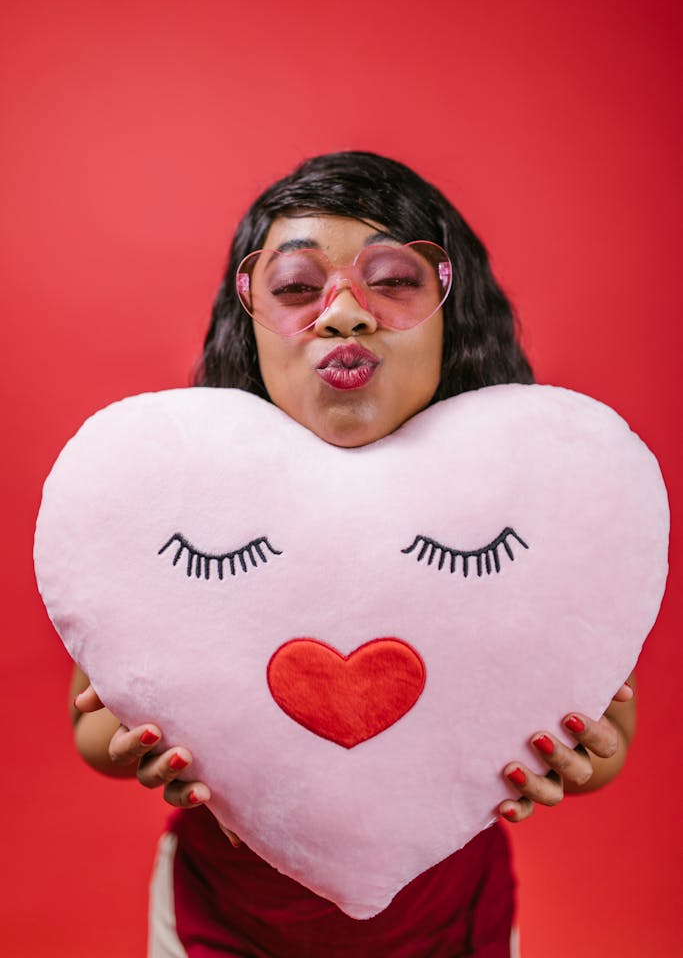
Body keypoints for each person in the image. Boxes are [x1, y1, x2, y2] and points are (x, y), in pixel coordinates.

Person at [70, 151, 636, 957]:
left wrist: (578, 758)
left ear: (453, 312)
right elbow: (89, 721)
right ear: (251, 325)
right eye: (297, 288)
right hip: (228, 920)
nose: (341, 313)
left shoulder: (522, 506)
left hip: (448, 919)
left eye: (394, 281)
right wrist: (134, 744)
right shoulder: (187, 504)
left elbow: (607, 723)